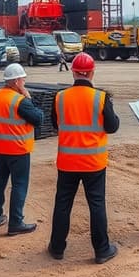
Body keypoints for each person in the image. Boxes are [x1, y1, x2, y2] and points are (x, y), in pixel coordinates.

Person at [48, 51, 120, 264]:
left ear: (73, 72)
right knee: (96, 204)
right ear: (91, 72)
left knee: (62, 204)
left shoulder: (60, 97)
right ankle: (101, 250)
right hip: (93, 163)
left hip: (68, 161)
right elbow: (112, 127)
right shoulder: (101, 97)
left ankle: (57, 248)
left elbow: (55, 124)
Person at [0, 62, 44, 235]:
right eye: (23, 80)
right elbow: (38, 118)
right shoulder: (20, 101)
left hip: (0, 148)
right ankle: (15, 223)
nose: (25, 83)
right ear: (17, 81)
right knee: (19, 184)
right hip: (18, 149)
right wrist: (28, 98)